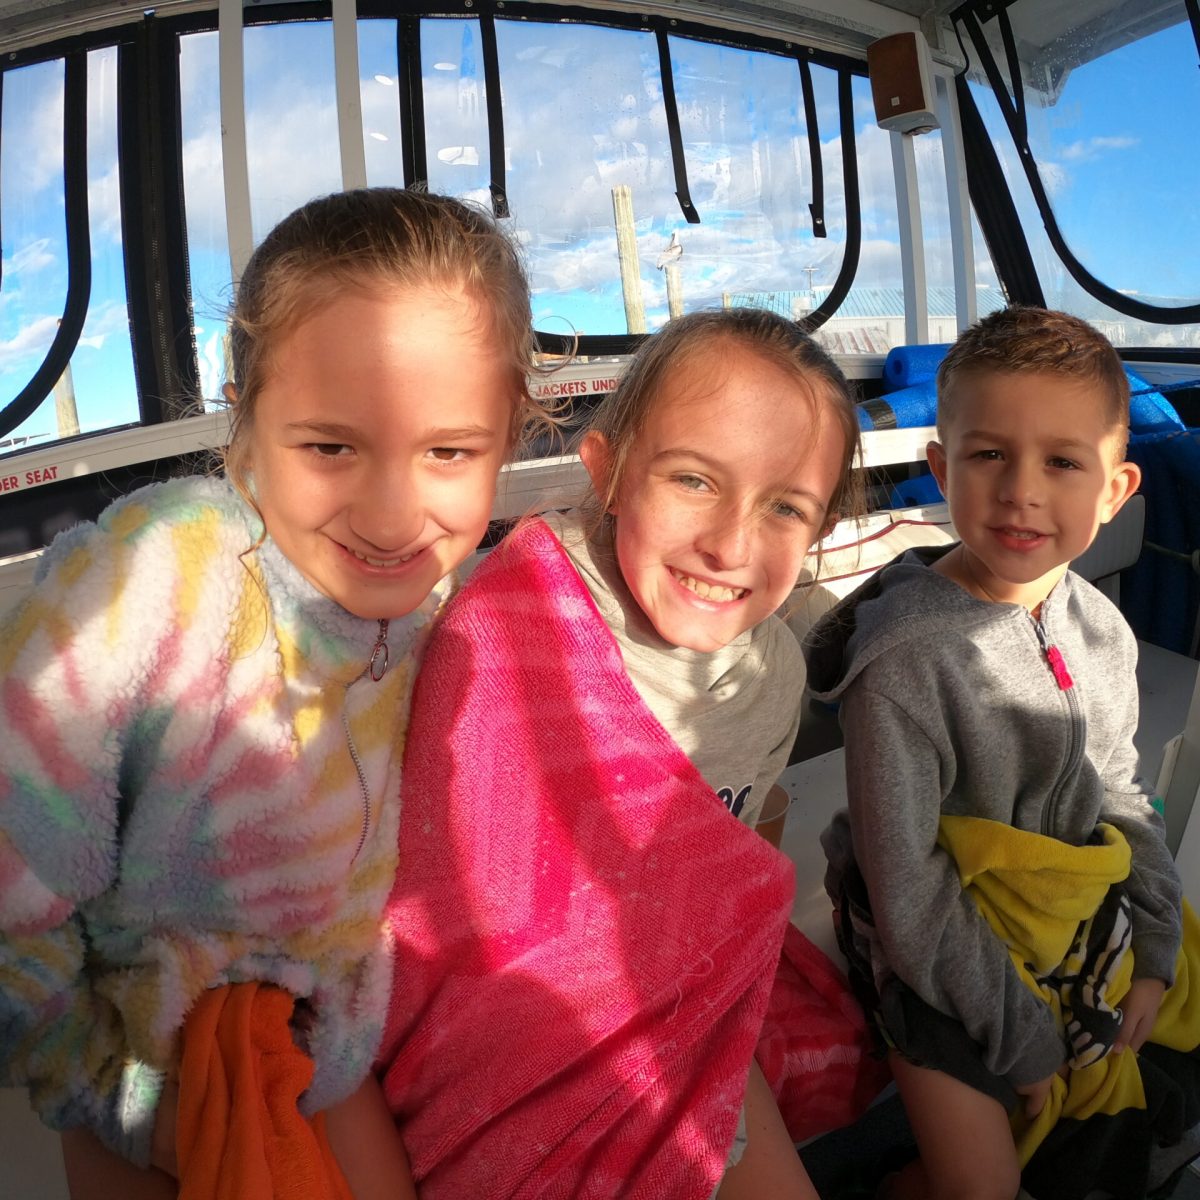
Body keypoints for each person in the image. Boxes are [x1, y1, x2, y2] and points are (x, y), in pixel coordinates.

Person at [0, 186, 550, 1199]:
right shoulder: (156, 577)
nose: (392, 516)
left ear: (509, 437)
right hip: (136, 1075)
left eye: (449, 452)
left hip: (323, 1056)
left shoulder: (441, 615)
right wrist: (106, 1088)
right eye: (331, 447)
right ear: (244, 417)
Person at [376, 307, 866, 1200]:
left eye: (786, 506)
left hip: (682, 1020)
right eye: (693, 479)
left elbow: (743, 846)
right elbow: (438, 910)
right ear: (607, 471)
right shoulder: (505, 638)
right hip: (519, 1045)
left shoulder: (776, 676)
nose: (730, 544)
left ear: (823, 525)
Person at [810, 306, 1195, 1200]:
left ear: (1115, 490)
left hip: (1062, 898)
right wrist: (1024, 1037)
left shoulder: (1101, 629)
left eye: (1063, 462)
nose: (1022, 490)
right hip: (928, 938)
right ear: (942, 467)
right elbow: (904, 890)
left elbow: (1122, 793)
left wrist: (1156, 947)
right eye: (988, 455)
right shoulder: (904, 658)